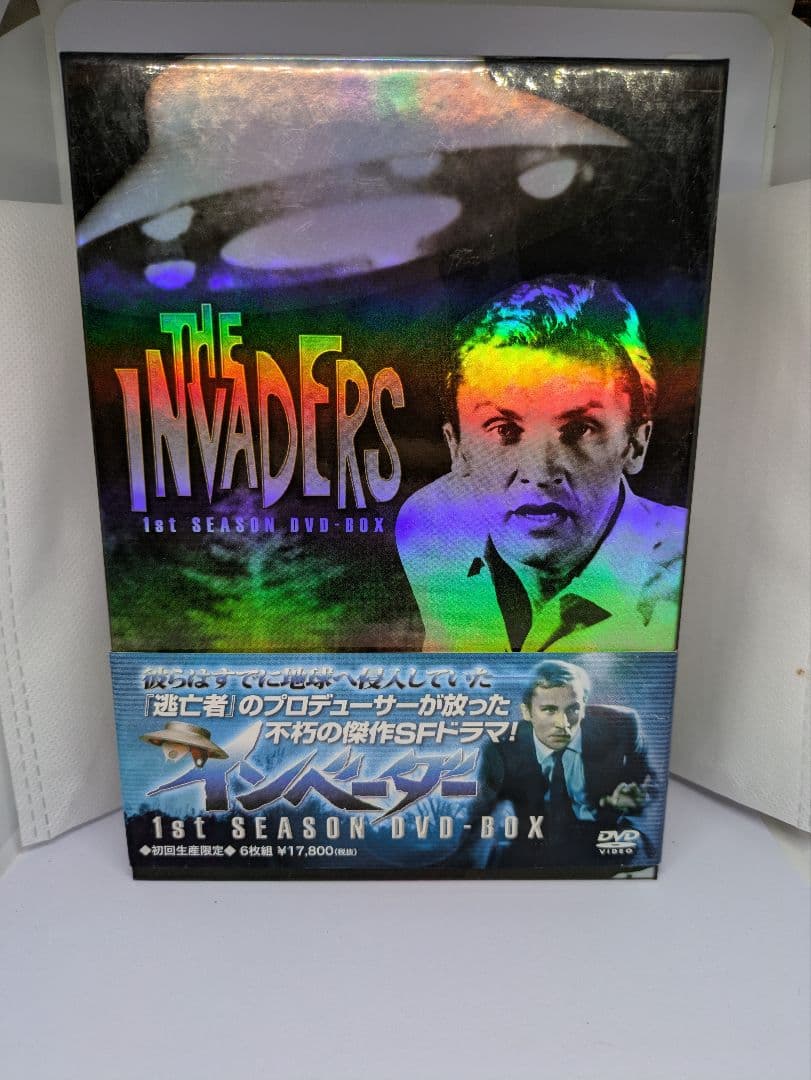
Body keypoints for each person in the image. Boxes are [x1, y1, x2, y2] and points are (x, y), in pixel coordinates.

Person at [395, 276, 686, 652]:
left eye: (579, 429)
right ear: (457, 448)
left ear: (636, 444)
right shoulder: (430, 528)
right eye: (504, 430)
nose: (539, 474)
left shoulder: (687, 581)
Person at [471, 660, 657, 869]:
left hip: (607, 834)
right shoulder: (501, 748)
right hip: (534, 841)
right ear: (526, 712)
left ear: (584, 707)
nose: (563, 723)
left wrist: (637, 797)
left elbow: (650, 781)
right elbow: (480, 812)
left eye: (573, 709)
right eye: (549, 710)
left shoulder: (622, 725)